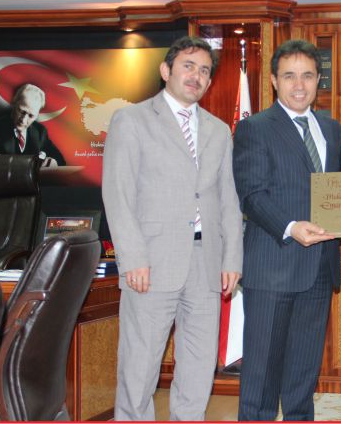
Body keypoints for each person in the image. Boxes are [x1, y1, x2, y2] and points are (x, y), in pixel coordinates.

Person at [102, 35, 243, 421]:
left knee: (198, 366)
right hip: (150, 263)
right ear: (166, 71)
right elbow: (118, 194)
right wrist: (133, 258)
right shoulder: (131, 120)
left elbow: (227, 200)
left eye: (205, 70)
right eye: (188, 66)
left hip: (206, 264)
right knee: (139, 366)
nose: (196, 76)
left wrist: (232, 258)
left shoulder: (218, 130)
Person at [232, 39, 341, 421]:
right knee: (262, 377)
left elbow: (340, 185)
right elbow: (251, 194)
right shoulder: (254, 128)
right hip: (273, 268)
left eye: (308, 76)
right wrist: (291, 227)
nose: (299, 85)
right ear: (273, 80)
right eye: (290, 76)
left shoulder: (330, 128)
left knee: (303, 375)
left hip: (319, 269)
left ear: (318, 80)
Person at [0, 83, 66, 166]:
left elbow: (60, 161)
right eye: (21, 111)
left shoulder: (40, 132)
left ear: (37, 114)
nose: (23, 120)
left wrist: (52, 162)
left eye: (31, 116)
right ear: (14, 102)